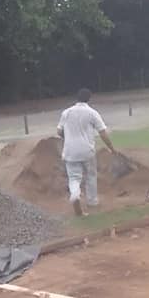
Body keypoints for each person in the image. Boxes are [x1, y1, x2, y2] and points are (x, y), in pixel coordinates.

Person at [57, 88, 118, 216]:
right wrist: (111, 148)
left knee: (74, 177)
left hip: (70, 151)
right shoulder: (92, 113)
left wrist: (67, 138)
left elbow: (59, 131)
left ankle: (75, 195)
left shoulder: (66, 113)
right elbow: (102, 133)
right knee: (91, 175)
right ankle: (92, 201)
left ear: (77, 98)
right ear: (89, 99)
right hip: (87, 151)